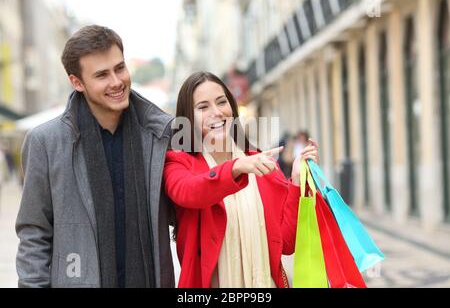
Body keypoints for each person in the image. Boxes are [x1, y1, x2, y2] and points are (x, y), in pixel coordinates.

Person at [15, 25, 175, 288]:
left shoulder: (162, 134)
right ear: (77, 82)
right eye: (102, 75)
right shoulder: (44, 142)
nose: (116, 82)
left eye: (119, 68)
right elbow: (34, 233)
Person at [163, 72, 319, 288]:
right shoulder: (178, 163)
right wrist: (236, 168)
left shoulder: (259, 162)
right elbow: (189, 192)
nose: (216, 113)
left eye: (221, 102)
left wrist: (296, 181)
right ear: (187, 118)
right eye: (203, 107)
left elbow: (286, 243)